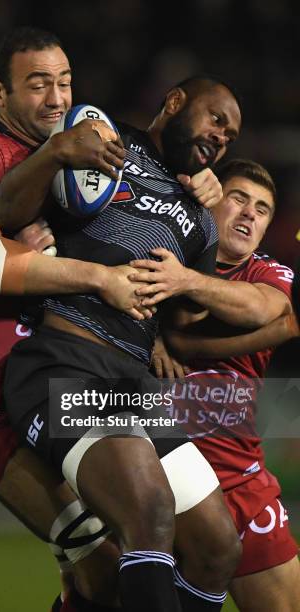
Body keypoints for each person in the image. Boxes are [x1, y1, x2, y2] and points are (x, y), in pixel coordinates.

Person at [0, 74, 243, 612]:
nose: (222, 137)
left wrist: (197, 270)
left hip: (134, 386)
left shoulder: (201, 216)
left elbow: (182, 322)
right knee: (149, 511)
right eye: (215, 119)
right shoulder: (105, 142)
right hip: (65, 363)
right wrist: (58, 151)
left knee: (218, 547)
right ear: (175, 103)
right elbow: (9, 212)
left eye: (230, 136)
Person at [145, 159, 300, 611]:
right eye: (238, 199)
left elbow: (258, 308)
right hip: (153, 480)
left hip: (239, 481)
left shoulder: (269, 275)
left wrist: (184, 285)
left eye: (263, 209)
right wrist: (152, 335)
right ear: (211, 201)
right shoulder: (157, 254)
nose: (250, 214)